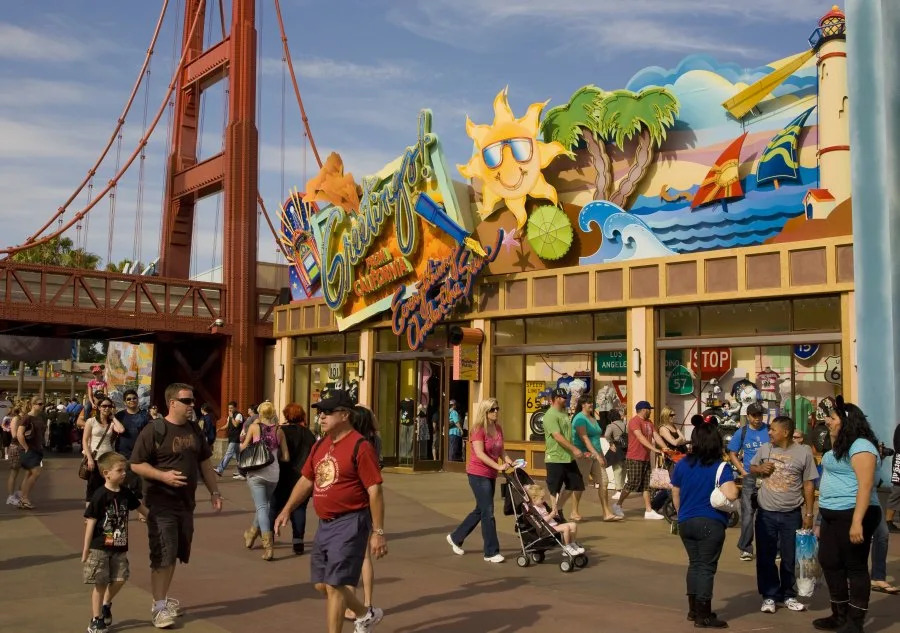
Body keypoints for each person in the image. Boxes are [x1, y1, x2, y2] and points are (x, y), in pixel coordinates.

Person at [273, 389, 386, 633]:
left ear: (345, 414)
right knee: (322, 585)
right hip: (325, 524)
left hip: (351, 521)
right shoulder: (321, 445)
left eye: (327, 412)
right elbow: (306, 480)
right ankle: (365, 613)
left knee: (335, 586)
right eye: (319, 413)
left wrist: (378, 532)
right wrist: (286, 510)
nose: (321, 417)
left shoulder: (360, 446)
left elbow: (375, 491)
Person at [129, 382, 223, 629]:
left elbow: (205, 462)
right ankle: (159, 606)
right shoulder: (154, 430)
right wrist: (163, 476)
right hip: (160, 503)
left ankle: (162, 599)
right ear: (172, 403)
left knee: (176, 553)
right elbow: (136, 464)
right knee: (163, 553)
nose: (192, 405)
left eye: (193, 400)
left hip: (185, 504)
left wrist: (215, 491)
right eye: (187, 401)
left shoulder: (194, 429)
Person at [813, 397, 882, 633]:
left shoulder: (862, 446)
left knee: (855, 566)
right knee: (829, 561)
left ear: (848, 422)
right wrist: (820, 520)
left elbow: (865, 485)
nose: (827, 421)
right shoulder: (838, 445)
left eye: (832, 418)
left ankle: (855, 622)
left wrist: (856, 523)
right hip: (832, 514)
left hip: (855, 512)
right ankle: (839, 614)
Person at [671, 415, 739, 629]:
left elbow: (675, 493)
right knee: (706, 568)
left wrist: (681, 513)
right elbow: (732, 494)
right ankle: (704, 614)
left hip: (686, 521)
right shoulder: (720, 467)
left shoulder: (683, 464)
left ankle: (693, 609)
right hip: (710, 522)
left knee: (695, 564)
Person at [749, 415, 818, 614]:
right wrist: (760, 468)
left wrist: (809, 514)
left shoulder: (803, 453)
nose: (769, 432)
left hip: (791, 515)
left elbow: (808, 484)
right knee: (765, 556)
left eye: (773, 429)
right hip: (766, 514)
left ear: (785, 432)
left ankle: (788, 594)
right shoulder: (764, 449)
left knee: (790, 557)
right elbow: (752, 468)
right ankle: (769, 596)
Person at [82, 452, 149, 633]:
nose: (124, 473)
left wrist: (156, 520)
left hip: (119, 546)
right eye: (119, 470)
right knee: (100, 582)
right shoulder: (100, 495)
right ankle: (96, 619)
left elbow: (142, 509)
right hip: (100, 547)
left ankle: (106, 604)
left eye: (124, 470)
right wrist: (86, 548)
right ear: (106, 473)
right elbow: (91, 521)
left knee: (120, 579)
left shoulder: (126, 493)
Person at [447, 398, 514, 563]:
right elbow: (480, 453)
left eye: (497, 408)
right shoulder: (478, 429)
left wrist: (511, 462)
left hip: (490, 473)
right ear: (485, 412)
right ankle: (491, 552)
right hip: (477, 473)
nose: (496, 412)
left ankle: (456, 537)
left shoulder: (498, 428)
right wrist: (498, 467)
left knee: (481, 509)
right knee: (488, 511)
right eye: (492, 409)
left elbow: (501, 450)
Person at [344, 405, 384, 621]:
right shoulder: (375, 440)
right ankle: (367, 603)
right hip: (370, 498)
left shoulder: (356, 443)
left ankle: (352, 604)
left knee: (351, 556)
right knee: (365, 556)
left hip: (355, 499)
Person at [239, 401, 289, 561]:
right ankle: (252, 533)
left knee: (262, 507)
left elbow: (243, 447)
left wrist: (242, 445)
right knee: (264, 506)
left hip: (256, 472)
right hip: (273, 474)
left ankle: (268, 547)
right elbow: (286, 457)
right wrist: (274, 455)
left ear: (259, 413)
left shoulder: (254, 427)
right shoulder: (279, 431)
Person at [270, 402, 316, 556]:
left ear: (286, 415)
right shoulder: (308, 434)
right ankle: (298, 542)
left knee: (275, 506)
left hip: (283, 474)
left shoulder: (282, 431)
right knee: (300, 507)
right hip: (303, 476)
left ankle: (269, 538)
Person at [727, 401, 769, 561]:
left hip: (768, 476)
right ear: (748, 416)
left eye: (760, 415)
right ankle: (746, 548)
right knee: (747, 513)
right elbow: (732, 453)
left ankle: (774, 547)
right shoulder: (741, 432)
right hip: (750, 478)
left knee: (770, 512)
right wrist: (742, 471)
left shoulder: (769, 430)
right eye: (755, 415)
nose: (758, 418)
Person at [571, 395, 621, 522]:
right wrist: (597, 455)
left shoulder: (593, 418)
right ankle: (574, 511)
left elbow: (596, 438)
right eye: (588, 403)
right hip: (584, 455)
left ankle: (606, 512)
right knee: (580, 484)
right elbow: (585, 439)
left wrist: (601, 455)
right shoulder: (579, 419)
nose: (591, 405)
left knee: (604, 482)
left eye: (591, 403)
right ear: (582, 404)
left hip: (597, 454)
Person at [618, 401, 665, 520]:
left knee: (646, 485)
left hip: (645, 457)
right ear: (644, 409)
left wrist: (664, 447)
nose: (651, 411)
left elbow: (656, 435)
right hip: (634, 457)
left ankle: (649, 510)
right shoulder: (634, 421)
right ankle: (618, 504)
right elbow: (640, 437)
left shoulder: (649, 422)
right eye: (649, 409)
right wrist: (655, 449)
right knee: (632, 482)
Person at [542, 388, 585, 519]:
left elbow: (567, 435)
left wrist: (576, 449)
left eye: (566, 397)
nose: (565, 399)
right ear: (555, 399)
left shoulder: (564, 413)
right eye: (562, 397)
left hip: (568, 457)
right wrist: (574, 449)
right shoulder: (550, 415)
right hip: (555, 457)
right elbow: (557, 436)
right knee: (554, 488)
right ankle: (555, 513)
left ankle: (558, 508)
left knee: (576, 484)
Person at [82, 396, 126, 506]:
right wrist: (90, 459)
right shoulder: (91, 421)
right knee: (92, 486)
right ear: (99, 407)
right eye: (104, 406)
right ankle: (89, 514)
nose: (107, 408)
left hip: (109, 459)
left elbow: (121, 430)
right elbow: (85, 440)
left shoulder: (111, 423)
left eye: (109, 406)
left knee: (107, 484)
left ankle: (104, 511)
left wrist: (113, 417)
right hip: (95, 458)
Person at [525, 484, 584, 555]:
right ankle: (567, 547)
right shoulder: (534, 509)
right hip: (547, 527)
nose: (543, 500)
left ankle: (573, 543)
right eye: (541, 498)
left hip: (553, 524)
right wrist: (550, 515)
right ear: (534, 499)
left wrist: (554, 514)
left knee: (573, 525)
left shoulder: (543, 505)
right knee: (566, 527)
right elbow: (541, 521)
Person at [114, 389, 150, 498]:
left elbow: (150, 435)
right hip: (122, 454)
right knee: (122, 484)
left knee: (140, 489)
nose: (132, 400)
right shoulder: (119, 416)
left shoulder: (145, 415)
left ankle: (141, 514)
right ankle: (122, 512)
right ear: (125, 402)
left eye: (134, 398)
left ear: (138, 399)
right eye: (128, 399)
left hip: (140, 454)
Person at [15, 398, 47, 510]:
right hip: (29, 450)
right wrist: (26, 447)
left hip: (37, 449)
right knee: (36, 472)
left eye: (43, 404)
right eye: (39, 404)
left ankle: (22, 499)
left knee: (29, 474)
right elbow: (19, 434)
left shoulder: (39, 417)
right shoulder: (27, 417)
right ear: (33, 405)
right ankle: (24, 498)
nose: (42, 405)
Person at [603, 409, 627, 513]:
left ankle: (618, 490)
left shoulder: (611, 426)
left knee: (617, 469)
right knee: (624, 469)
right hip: (626, 448)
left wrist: (610, 443)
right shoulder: (625, 424)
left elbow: (607, 435)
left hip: (616, 447)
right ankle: (622, 488)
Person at [214, 401, 244, 479]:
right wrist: (220, 429)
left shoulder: (238, 415)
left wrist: (231, 417)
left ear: (235, 408)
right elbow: (227, 425)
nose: (230, 410)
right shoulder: (230, 416)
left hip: (236, 437)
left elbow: (236, 425)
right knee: (238, 456)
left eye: (231, 408)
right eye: (229, 408)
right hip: (231, 437)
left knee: (229, 453)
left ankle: (220, 469)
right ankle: (242, 471)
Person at [5, 402, 25, 506]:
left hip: (22, 447)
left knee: (28, 471)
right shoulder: (16, 419)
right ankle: (11, 496)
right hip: (16, 447)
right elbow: (15, 435)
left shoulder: (23, 419)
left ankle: (18, 493)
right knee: (14, 472)